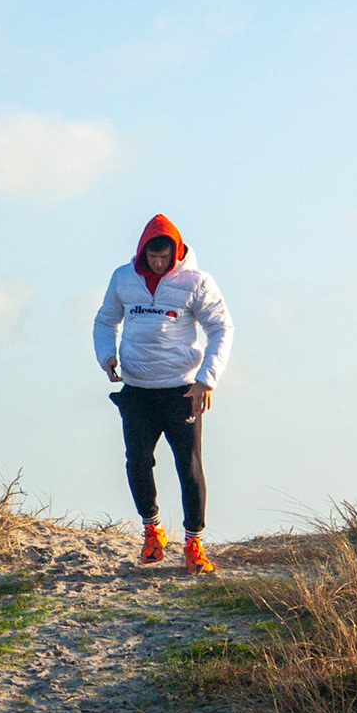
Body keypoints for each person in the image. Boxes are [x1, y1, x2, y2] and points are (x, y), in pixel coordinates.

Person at [92, 214, 233, 573]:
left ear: (176, 251)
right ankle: (152, 531)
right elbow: (106, 320)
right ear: (143, 253)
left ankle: (194, 543)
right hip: (137, 389)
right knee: (137, 462)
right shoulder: (124, 278)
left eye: (165, 257)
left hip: (182, 391)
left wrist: (207, 379)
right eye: (153, 257)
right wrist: (106, 356)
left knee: (188, 467)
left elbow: (221, 327)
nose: (159, 263)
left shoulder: (197, 282)